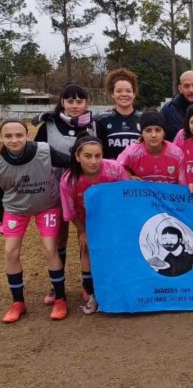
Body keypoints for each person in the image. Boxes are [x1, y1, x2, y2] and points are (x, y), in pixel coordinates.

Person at [0, 120, 71, 322]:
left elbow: (72, 161)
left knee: (50, 249)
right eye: (8, 136)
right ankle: (18, 302)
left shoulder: (44, 151)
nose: (14, 140)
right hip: (15, 209)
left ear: (27, 136)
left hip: (47, 206)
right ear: (1, 138)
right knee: (10, 252)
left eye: (19, 135)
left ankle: (60, 298)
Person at [33, 83, 95, 306]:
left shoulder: (95, 125)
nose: (75, 105)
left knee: (85, 237)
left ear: (86, 103)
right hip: (55, 188)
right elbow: (37, 155)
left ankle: (88, 285)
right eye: (70, 101)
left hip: (86, 191)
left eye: (80, 101)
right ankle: (56, 286)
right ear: (62, 102)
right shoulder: (48, 125)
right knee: (60, 237)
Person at [60, 133, 129, 314]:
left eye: (98, 156)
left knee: (115, 252)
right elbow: (71, 212)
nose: (93, 161)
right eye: (87, 156)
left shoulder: (114, 169)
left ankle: (116, 289)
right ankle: (91, 293)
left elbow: (126, 195)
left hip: (112, 219)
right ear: (77, 156)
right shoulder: (69, 180)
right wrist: (83, 232)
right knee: (87, 250)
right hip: (85, 221)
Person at [117, 110, 183, 183]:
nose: (153, 135)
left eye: (158, 130)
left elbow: (185, 180)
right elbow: (117, 168)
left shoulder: (177, 154)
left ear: (164, 132)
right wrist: (129, 176)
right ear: (141, 133)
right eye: (148, 131)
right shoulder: (132, 152)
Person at [93, 68, 142, 159]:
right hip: (110, 171)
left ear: (134, 93)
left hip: (137, 172)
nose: (124, 94)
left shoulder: (144, 119)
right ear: (112, 93)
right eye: (119, 91)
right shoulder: (100, 120)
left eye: (128, 91)